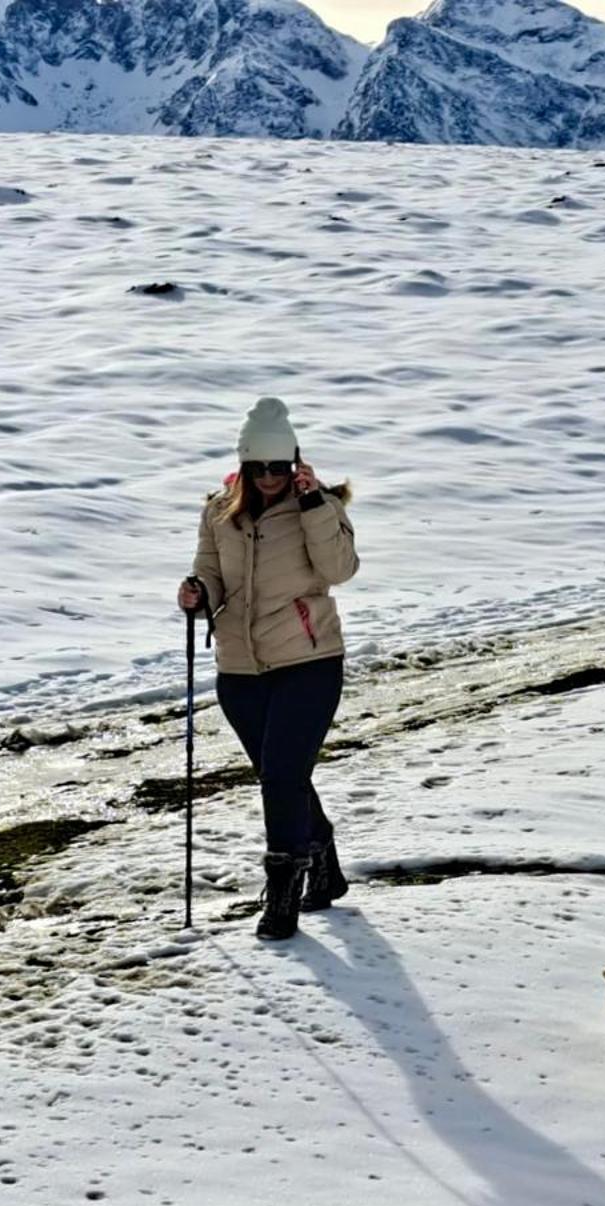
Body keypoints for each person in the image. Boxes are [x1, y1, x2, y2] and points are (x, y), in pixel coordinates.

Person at [177, 396, 358, 941]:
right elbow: (211, 574)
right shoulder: (218, 512)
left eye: (281, 466)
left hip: (309, 661)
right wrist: (197, 594)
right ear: (246, 465)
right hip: (239, 669)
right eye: (260, 467)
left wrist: (313, 507)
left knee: (280, 775)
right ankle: (324, 868)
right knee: (284, 774)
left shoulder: (319, 506)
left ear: (296, 461)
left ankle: (283, 896)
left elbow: (340, 569)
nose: (271, 477)